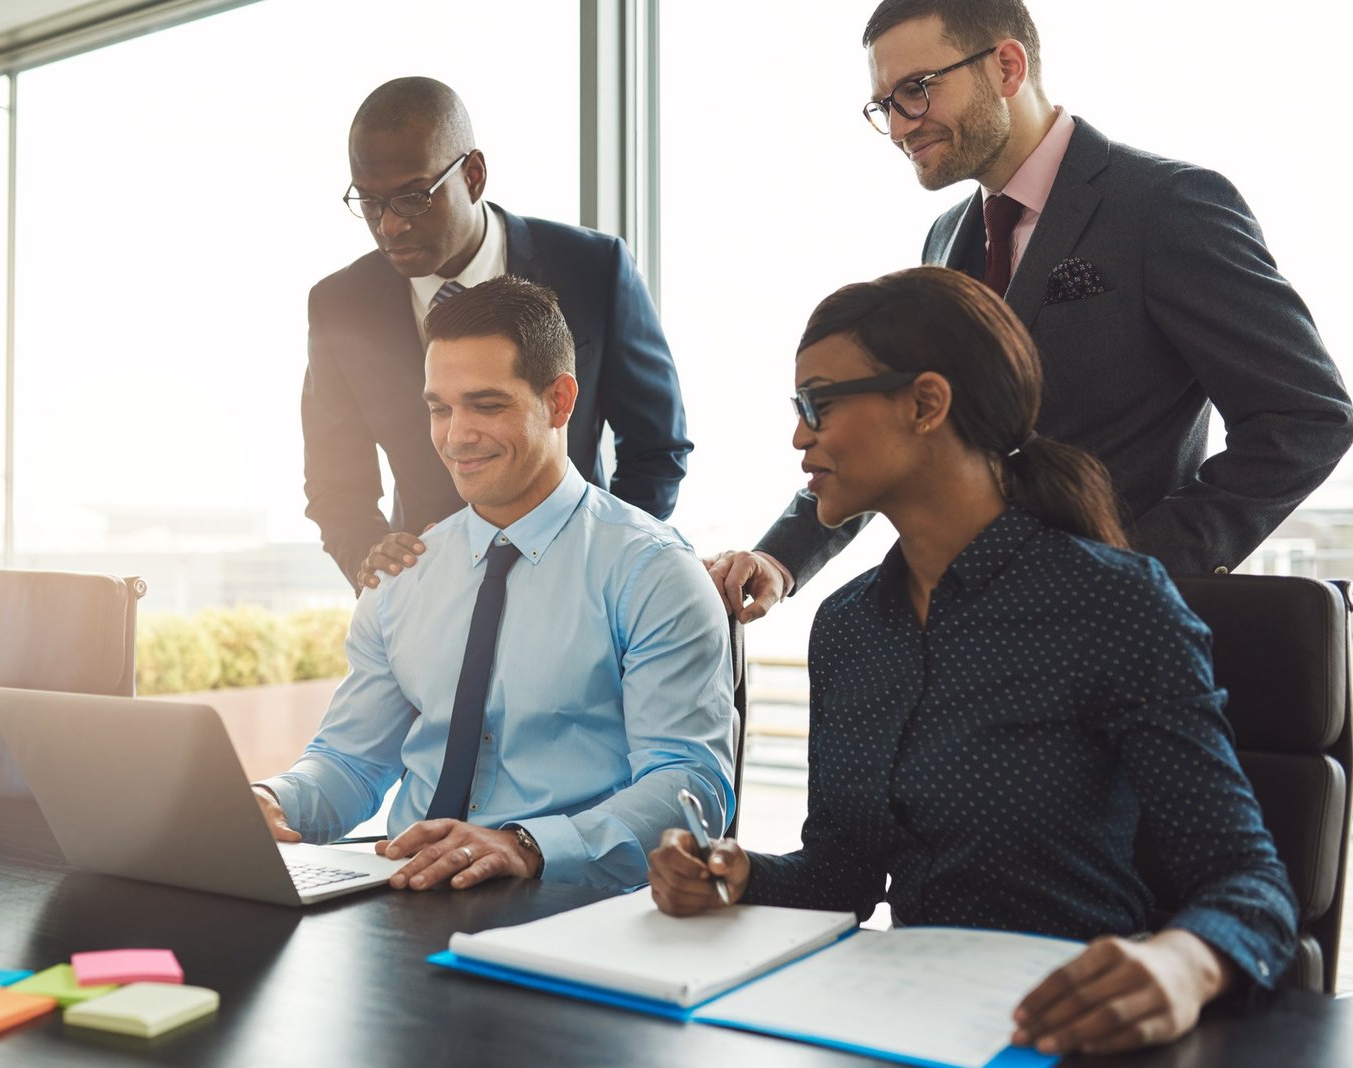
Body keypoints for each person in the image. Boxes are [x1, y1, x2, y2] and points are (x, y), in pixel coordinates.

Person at [649, 267, 1297, 1057]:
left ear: (926, 403)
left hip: (1075, 1026)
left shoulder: (1113, 605)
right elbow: (842, 879)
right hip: (909, 1022)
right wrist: (739, 874)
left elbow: (1251, 887)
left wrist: (1183, 963)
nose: (799, 436)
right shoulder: (849, 628)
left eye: (818, 403)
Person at [709, 0, 1352, 622]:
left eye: (917, 89)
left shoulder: (1166, 206)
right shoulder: (945, 240)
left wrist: (1134, 566)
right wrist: (780, 557)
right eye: (885, 105)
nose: (901, 125)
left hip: (1114, 639)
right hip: (970, 625)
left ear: (1007, 67)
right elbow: (908, 434)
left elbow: (1306, 418)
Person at [259, 276, 734, 893]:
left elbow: (688, 786)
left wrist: (528, 846)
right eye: (439, 408)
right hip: (405, 897)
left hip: (574, 909)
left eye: (486, 405)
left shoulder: (653, 571)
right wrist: (273, 798)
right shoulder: (405, 574)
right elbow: (351, 762)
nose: (456, 436)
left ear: (560, 401)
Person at [304, 76, 691, 592]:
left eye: (412, 198)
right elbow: (335, 482)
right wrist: (372, 560)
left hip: (580, 584)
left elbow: (656, 447)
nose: (389, 226)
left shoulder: (594, 269)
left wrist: (607, 559)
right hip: (427, 591)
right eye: (369, 202)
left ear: (473, 174)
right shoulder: (340, 305)